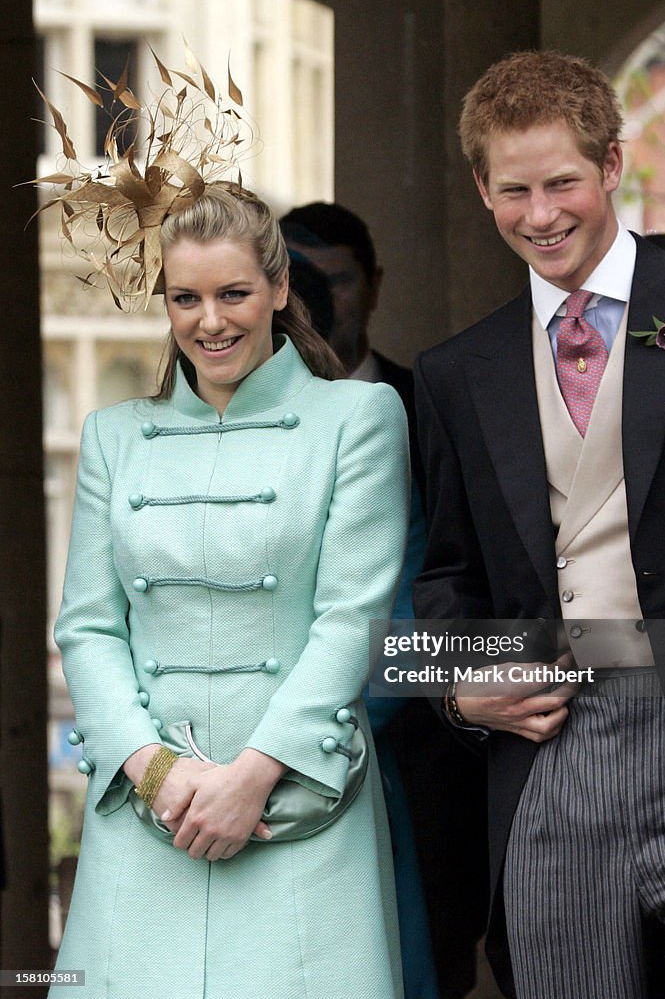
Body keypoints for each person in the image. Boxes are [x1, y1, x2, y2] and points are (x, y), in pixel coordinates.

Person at [413, 49, 665, 999]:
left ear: (611, 165)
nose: (541, 216)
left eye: (563, 182)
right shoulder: (456, 373)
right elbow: (447, 579)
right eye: (514, 191)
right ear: (481, 189)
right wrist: (459, 693)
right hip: (552, 760)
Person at [49, 175, 409, 996]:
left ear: (279, 288)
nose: (210, 321)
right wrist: (154, 770)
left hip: (297, 804)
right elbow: (88, 629)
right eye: (186, 298)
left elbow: (349, 620)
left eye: (234, 293)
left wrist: (249, 778)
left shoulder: (359, 418)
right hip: (148, 816)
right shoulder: (113, 436)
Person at [281, 202, 489, 999]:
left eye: (328, 282)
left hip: (411, 756)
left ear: (370, 287)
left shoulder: (426, 404)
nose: (313, 304)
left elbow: (448, 586)